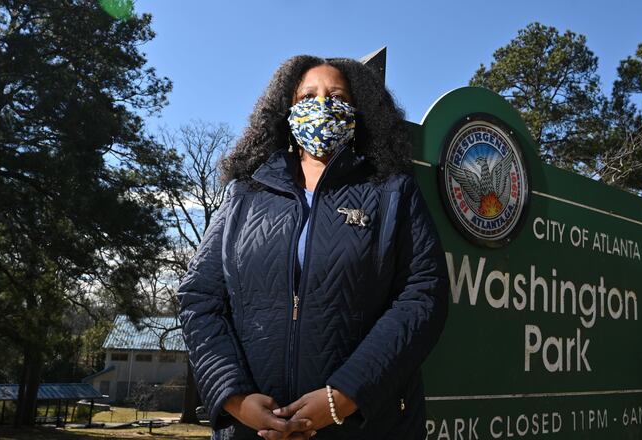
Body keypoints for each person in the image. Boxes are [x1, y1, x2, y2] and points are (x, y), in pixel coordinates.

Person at [176, 54, 449, 440]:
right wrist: (235, 399)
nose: (321, 106)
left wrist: (345, 395)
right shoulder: (244, 193)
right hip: (249, 430)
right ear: (285, 111)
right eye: (307, 96)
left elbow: (423, 296)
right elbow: (198, 298)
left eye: (336, 95)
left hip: (366, 427)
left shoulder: (393, 191)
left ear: (359, 111)